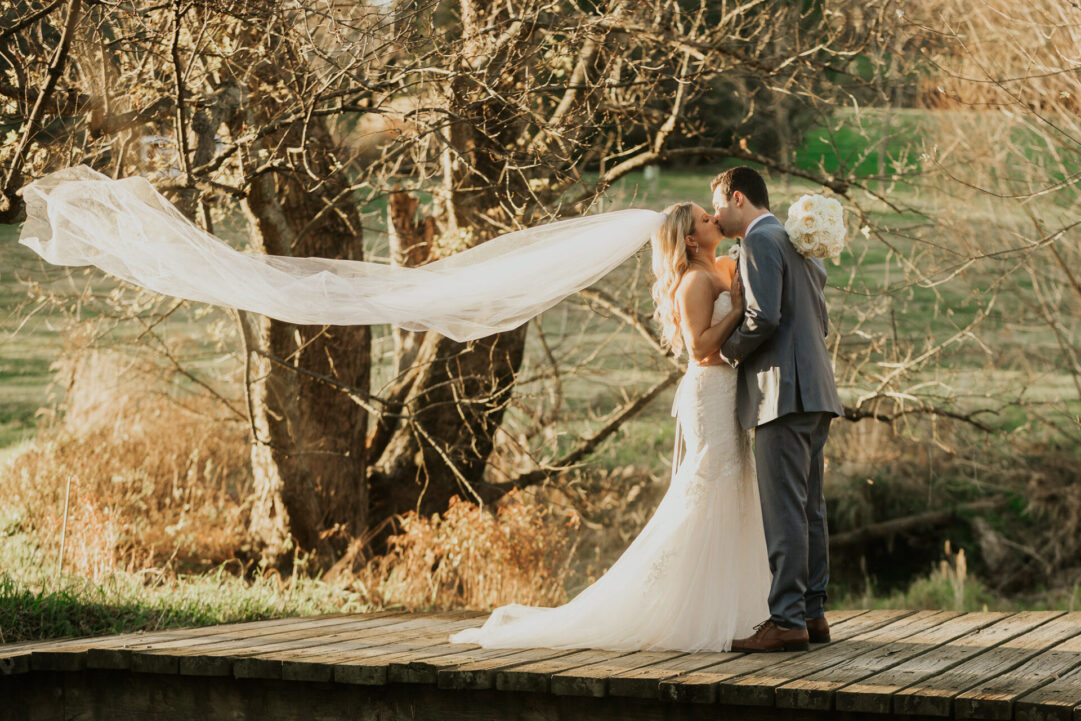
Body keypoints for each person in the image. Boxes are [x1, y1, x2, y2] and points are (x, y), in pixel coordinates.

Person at [447, 202, 771, 652]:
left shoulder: (720, 266)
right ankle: (688, 608)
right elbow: (699, 348)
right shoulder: (694, 281)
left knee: (734, 487)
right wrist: (735, 312)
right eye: (703, 218)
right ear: (691, 240)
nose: (713, 218)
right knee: (711, 487)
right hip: (709, 392)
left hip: (727, 392)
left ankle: (735, 607)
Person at [713, 166, 844, 652]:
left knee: (786, 509)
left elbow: (763, 316)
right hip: (815, 391)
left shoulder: (759, 242)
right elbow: (820, 319)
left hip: (782, 393)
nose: (715, 214)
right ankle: (812, 614)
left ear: (738, 198)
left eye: (718, 205)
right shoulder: (796, 243)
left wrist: (727, 353)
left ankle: (786, 618)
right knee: (809, 508)